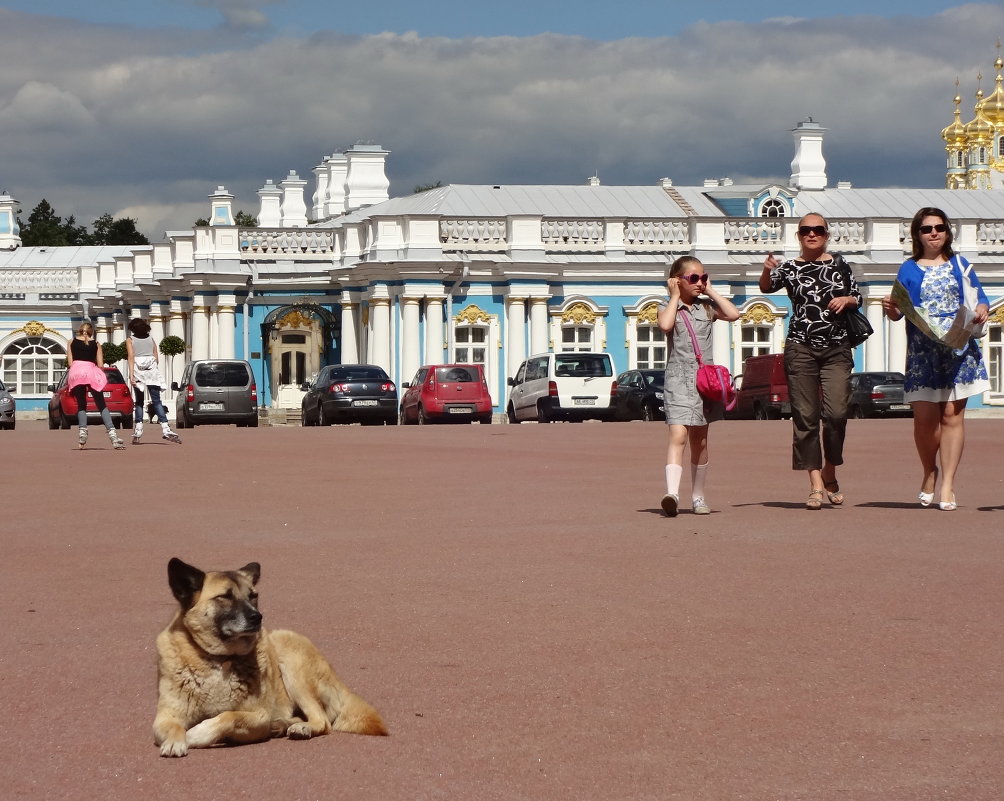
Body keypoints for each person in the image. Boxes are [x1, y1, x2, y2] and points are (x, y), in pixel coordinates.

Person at [881, 207, 990, 511]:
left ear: (947, 232)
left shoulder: (960, 264)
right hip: (923, 352)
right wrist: (890, 309)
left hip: (957, 348)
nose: (934, 233)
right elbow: (898, 309)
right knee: (925, 421)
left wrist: (981, 309)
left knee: (952, 417)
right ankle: (930, 471)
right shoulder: (908, 269)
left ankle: (948, 485)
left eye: (939, 228)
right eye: (927, 228)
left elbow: (977, 297)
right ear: (917, 234)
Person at [759, 213, 861, 510]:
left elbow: (857, 296)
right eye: (806, 230)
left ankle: (830, 469)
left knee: (837, 413)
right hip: (801, 347)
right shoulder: (790, 267)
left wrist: (847, 301)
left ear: (827, 234)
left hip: (836, 348)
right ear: (799, 236)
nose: (812, 234)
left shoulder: (840, 265)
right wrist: (766, 270)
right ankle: (816, 482)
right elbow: (767, 288)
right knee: (805, 417)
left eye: (817, 230)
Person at [657, 256, 741, 517]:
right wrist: (673, 296)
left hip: (705, 383)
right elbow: (665, 325)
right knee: (678, 436)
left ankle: (698, 496)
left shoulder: (706, 308)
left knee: (700, 441)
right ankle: (672, 493)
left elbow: (733, 313)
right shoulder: (666, 307)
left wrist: (712, 290)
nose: (699, 282)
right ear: (677, 280)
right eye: (693, 278)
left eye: (703, 277)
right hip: (678, 381)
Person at [65, 321, 126, 450]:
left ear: (80, 330)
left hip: (76, 373)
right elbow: (100, 365)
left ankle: (82, 433)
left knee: (81, 404)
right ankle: (113, 435)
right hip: (91, 372)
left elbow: (70, 362)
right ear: (92, 331)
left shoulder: (71, 342)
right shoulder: (97, 344)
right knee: (101, 404)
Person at [126, 318, 182, 444]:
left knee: (139, 401)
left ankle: (138, 429)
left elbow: (131, 356)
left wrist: (131, 375)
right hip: (151, 371)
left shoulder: (130, 340)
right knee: (157, 401)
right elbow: (156, 355)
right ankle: (166, 428)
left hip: (138, 371)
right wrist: (153, 368)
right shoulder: (151, 339)